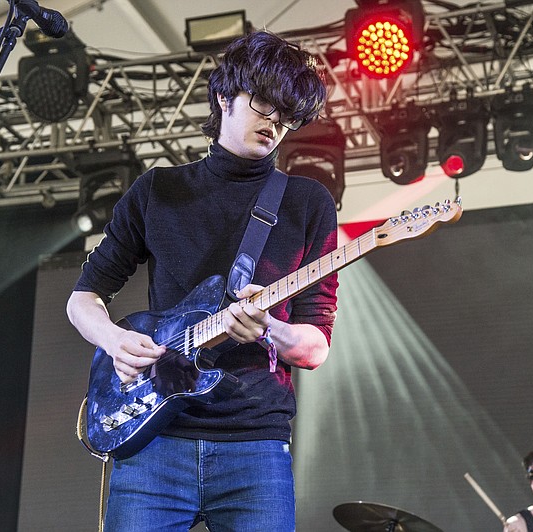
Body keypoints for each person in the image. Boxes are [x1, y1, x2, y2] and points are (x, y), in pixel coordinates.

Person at [66, 30, 338, 531]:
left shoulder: (307, 202)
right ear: (223, 96)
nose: (275, 122)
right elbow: (83, 298)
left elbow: (315, 346)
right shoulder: (158, 190)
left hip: (255, 444)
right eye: (264, 104)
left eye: (288, 114)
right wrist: (116, 341)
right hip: (153, 438)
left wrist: (269, 328)